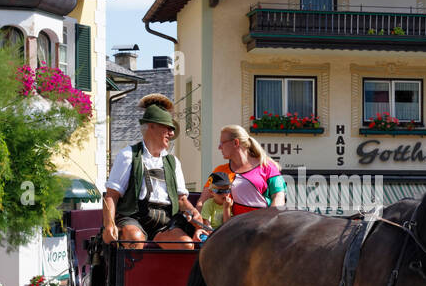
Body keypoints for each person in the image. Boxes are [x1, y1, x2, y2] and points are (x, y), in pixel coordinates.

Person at [102, 94, 210, 249]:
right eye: (168, 127)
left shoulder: (173, 162)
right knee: (135, 238)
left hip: (165, 224)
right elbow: (111, 196)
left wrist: (193, 211)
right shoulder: (127, 156)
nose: (172, 133)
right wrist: (108, 226)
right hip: (133, 219)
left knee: (186, 245)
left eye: (172, 129)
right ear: (151, 126)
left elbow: (181, 200)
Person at [197, 124, 287, 216]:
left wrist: (269, 221)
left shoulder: (268, 167)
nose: (219, 147)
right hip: (231, 227)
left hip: (262, 225)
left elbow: (279, 196)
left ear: (236, 142)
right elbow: (202, 201)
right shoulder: (219, 171)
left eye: (222, 143)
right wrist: (198, 224)